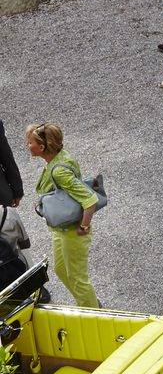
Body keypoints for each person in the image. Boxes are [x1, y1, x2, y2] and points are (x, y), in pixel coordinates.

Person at [25, 123, 98, 308]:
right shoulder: (58, 157)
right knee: (61, 269)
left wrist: (84, 227)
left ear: (42, 147)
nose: (27, 145)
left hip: (73, 230)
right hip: (61, 228)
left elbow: (90, 200)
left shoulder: (59, 171)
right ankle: (88, 302)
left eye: (30, 142)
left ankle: (92, 312)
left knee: (77, 276)